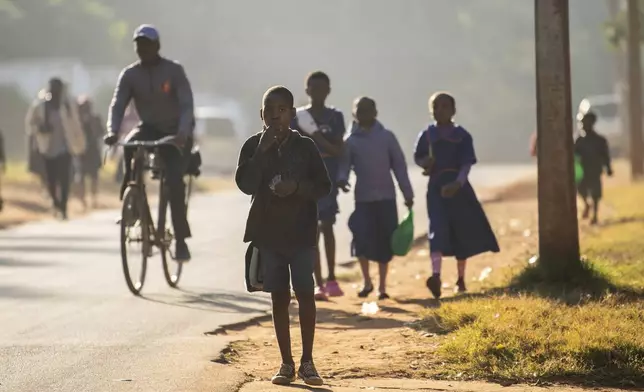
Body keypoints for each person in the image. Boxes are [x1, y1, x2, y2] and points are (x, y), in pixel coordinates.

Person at [235, 85, 330, 386]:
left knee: (305, 294)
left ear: (291, 113)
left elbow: (324, 186)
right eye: (268, 110)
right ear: (261, 114)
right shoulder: (252, 146)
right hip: (269, 236)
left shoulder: (305, 147)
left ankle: (308, 362)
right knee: (278, 298)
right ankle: (286, 363)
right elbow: (247, 184)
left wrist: (297, 188)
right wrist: (261, 153)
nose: (274, 116)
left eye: (281, 110)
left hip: (301, 234)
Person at [104, 24, 194, 262]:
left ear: (157, 46)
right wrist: (112, 131)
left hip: (175, 131)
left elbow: (186, 105)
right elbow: (117, 104)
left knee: (174, 181)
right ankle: (132, 202)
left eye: (147, 44)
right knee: (129, 146)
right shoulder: (130, 75)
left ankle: (181, 241)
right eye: (138, 45)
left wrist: (183, 132)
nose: (142, 49)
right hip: (150, 128)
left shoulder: (174, 71)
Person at [414, 92, 499, 299]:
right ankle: (436, 276)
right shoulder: (426, 135)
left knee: (461, 230)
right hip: (436, 189)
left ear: (453, 110)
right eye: (436, 106)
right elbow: (418, 157)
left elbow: (466, 164)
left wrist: (457, 183)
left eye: (444, 106)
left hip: (459, 190)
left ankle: (460, 278)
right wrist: (425, 163)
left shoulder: (462, 136)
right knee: (437, 228)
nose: (440, 110)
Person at [337, 97, 414, 300]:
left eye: (367, 110)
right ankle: (366, 281)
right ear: (354, 114)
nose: (363, 114)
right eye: (359, 110)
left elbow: (399, 166)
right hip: (363, 199)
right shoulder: (350, 141)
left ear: (375, 112)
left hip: (386, 197)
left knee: (385, 242)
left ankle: (382, 286)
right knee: (361, 239)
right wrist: (341, 179)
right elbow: (344, 165)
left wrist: (407, 193)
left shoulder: (387, 137)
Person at [290, 71, 346, 301]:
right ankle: (318, 282)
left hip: (328, 178)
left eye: (322, 88)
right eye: (313, 88)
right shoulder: (298, 118)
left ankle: (332, 278)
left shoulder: (336, 117)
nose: (318, 93)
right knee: (312, 230)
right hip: (305, 180)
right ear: (307, 91)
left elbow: (338, 150)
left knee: (328, 225)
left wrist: (317, 138)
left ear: (328, 91)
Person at [25, 78, 86, 220]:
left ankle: (63, 208)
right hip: (48, 148)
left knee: (65, 179)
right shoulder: (40, 106)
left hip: (66, 148)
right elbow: (30, 124)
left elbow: (76, 125)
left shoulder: (67, 105)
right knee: (51, 179)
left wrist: (80, 144)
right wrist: (40, 128)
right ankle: (55, 202)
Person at [575, 111, 613, 225]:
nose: (583, 126)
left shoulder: (600, 141)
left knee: (596, 193)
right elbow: (574, 155)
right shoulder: (579, 141)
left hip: (595, 169)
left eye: (585, 123)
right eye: (582, 123)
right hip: (583, 170)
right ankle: (587, 204)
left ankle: (595, 215)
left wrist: (608, 168)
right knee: (581, 189)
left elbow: (605, 156)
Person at [76, 96, 105, 209]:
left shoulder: (95, 119)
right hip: (81, 151)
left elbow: (101, 132)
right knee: (80, 177)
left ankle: (94, 199)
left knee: (94, 177)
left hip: (93, 151)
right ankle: (83, 200)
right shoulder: (76, 120)